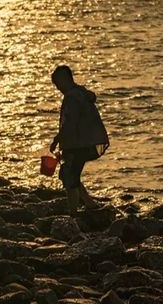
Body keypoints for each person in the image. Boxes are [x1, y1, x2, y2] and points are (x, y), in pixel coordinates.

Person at [49, 65, 109, 215]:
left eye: (58, 84)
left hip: (79, 143)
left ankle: (73, 213)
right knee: (72, 173)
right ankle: (89, 203)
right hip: (88, 141)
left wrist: (57, 139)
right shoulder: (81, 93)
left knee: (69, 176)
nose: (58, 88)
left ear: (64, 80)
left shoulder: (72, 97)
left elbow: (70, 123)